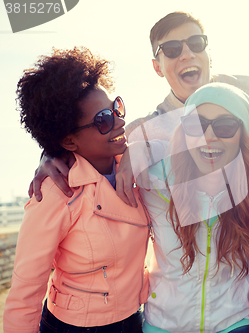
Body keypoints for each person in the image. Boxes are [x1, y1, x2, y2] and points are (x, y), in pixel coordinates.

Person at [28, 11, 249, 205]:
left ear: (208, 53)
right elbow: (83, 144)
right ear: (157, 67)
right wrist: (51, 155)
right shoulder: (143, 131)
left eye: (196, 43)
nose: (187, 53)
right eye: (171, 49)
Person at [3, 47, 150, 333]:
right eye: (103, 120)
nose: (119, 122)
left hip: (135, 318)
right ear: (69, 141)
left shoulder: (140, 168)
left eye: (116, 108)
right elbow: (26, 288)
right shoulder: (55, 193)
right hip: (76, 327)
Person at [139, 82, 249, 333]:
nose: (208, 136)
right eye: (196, 125)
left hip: (236, 323)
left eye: (225, 126)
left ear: (243, 135)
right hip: (163, 324)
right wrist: (51, 156)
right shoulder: (153, 184)